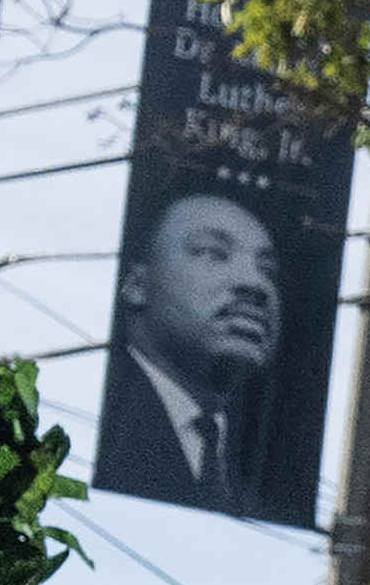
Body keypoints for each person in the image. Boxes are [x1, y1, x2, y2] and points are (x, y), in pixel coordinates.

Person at [95, 190, 283, 517]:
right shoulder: (94, 415)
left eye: (267, 270)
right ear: (137, 284)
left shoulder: (265, 459)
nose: (256, 284)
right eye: (213, 253)